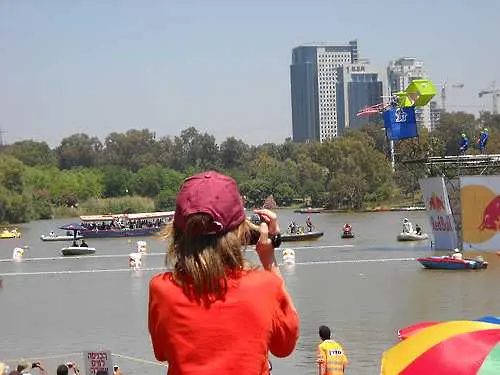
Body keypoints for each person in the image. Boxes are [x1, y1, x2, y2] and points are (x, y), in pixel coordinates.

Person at [148, 171, 299, 374]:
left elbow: (161, 352)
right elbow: (285, 344)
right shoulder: (264, 287)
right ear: (239, 231)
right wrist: (269, 260)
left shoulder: (162, 290)